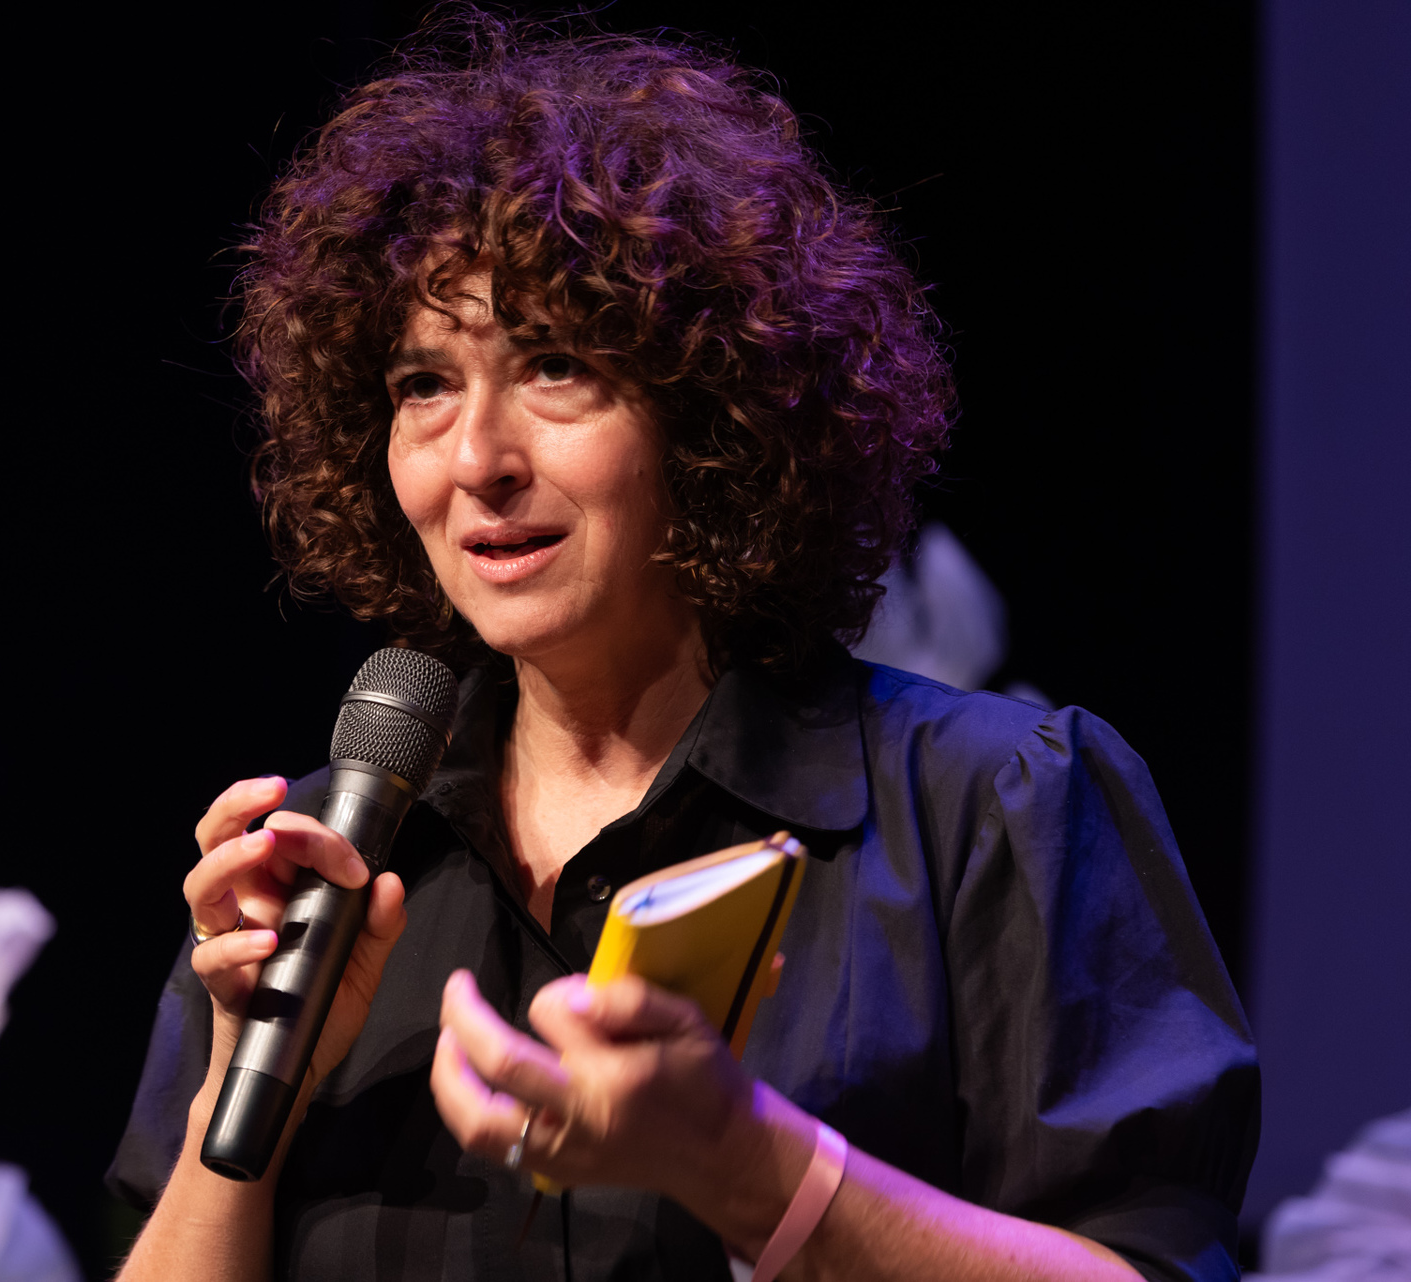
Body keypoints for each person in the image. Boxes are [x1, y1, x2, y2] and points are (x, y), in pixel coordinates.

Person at [110, 15, 1257, 1281]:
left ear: (710, 414)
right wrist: (243, 1085)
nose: (477, 458)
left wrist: (755, 1167)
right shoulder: (322, 870)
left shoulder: (992, 808)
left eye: (554, 365)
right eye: (422, 385)